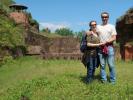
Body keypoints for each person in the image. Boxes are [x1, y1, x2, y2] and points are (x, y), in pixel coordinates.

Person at [96, 12, 117, 84]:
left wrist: (106, 42)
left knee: (111, 65)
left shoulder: (111, 26)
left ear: (108, 17)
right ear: (101, 18)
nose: (104, 18)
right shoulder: (98, 26)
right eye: (103, 17)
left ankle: (113, 81)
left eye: (106, 17)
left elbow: (114, 37)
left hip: (109, 47)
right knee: (102, 65)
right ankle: (104, 81)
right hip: (100, 48)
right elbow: (95, 36)